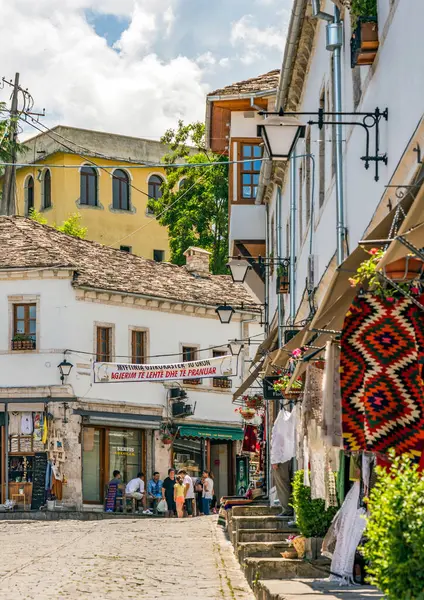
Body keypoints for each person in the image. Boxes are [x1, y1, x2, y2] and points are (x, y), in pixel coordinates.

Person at [270, 407, 296, 517]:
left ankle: (287, 509)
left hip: (280, 461)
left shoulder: (279, 425)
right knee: (290, 484)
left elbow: (276, 444)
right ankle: (292, 507)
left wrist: (274, 461)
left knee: (282, 486)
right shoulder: (289, 423)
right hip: (291, 458)